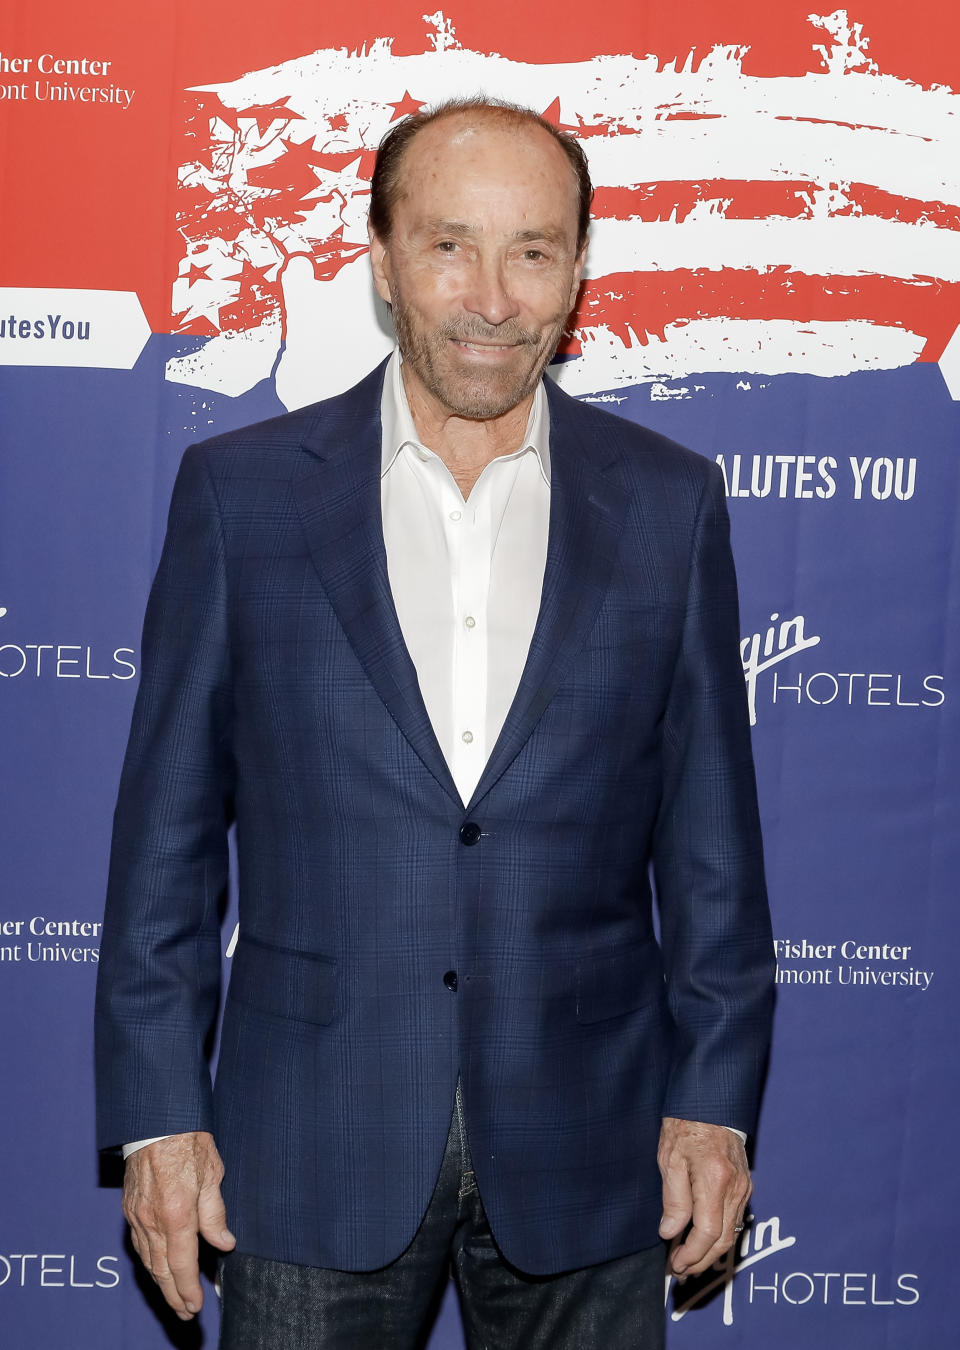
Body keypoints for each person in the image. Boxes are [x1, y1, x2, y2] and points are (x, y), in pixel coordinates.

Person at [95, 98, 775, 1348]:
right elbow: (165, 846)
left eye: (533, 250)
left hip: (593, 1136)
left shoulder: (670, 505)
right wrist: (158, 1118)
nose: (493, 297)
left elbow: (714, 850)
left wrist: (715, 1105)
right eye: (450, 245)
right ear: (381, 261)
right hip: (306, 1143)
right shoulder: (242, 498)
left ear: (578, 267)